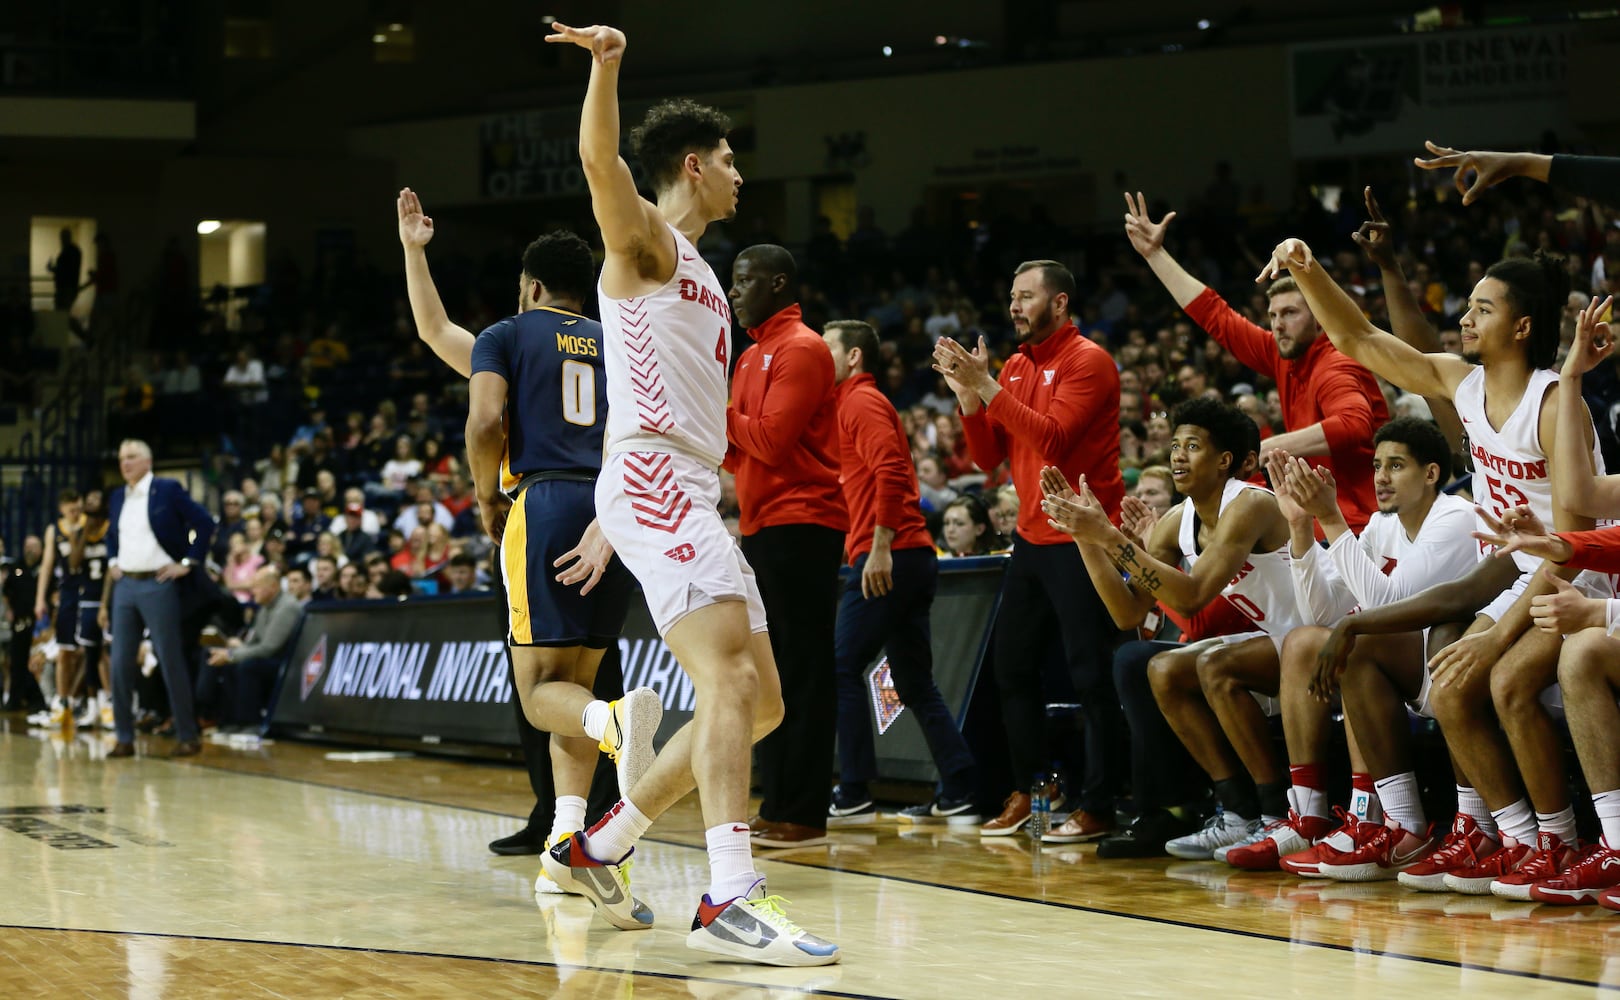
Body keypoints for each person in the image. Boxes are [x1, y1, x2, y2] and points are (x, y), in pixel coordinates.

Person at [542, 21, 837, 966]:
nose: (742, 173)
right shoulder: (649, 243)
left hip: (683, 485)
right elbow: (597, 160)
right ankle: (729, 893)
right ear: (693, 166)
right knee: (728, 678)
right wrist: (608, 66)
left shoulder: (704, 269)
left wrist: (611, 507)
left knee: (761, 704)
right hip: (657, 476)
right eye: (730, 158)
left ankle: (604, 842)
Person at [1259, 236, 1611, 891]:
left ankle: (1553, 842)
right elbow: (1361, 339)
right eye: (1469, 306)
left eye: (1482, 309)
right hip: (1509, 576)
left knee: (1492, 679)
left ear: (1522, 326)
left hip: (1574, 576)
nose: (1465, 318)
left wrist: (1497, 636)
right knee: (1443, 678)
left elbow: (1574, 541)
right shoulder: (1462, 381)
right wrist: (1310, 270)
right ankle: (1505, 837)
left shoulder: (1555, 402)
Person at [398, 188, 626, 858]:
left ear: (529, 286)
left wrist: (484, 493)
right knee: (578, 677)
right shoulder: (615, 341)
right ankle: (571, 833)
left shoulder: (507, 335)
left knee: (540, 695)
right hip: (612, 511)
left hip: (545, 504)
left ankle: (614, 726)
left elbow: (475, 403)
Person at [1041, 398, 1315, 858]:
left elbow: (1190, 596)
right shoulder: (1176, 522)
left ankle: (1274, 814)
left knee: (1214, 664)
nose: (1178, 456)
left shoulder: (1250, 504)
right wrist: (1086, 539)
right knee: (1163, 670)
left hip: (1323, 632)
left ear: (1225, 460)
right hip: (1278, 642)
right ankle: (1237, 812)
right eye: (1174, 446)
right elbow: (1128, 614)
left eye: (1192, 446)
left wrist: (1110, 537)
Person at [1222, 418, 1478, 875]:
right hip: (1406, 665)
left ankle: (1394, 822)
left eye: (1396, 465)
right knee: (1303, 642)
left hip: (1457, 661)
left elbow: (1384, 607)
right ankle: (1311, 811)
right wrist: (1301, 528)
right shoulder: (1382, 527)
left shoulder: (1455, 518)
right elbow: (1319, 615)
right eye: (1377, 465)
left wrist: (1332, 517)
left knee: (1362, 642)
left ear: (1432, 473)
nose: (1380, 477)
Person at [932, 258, 1126, 840]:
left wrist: (986, 385)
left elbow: (1055, 440)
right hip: (1032, 538)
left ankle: (1101, 803)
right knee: (1011, 667)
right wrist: (970, 395)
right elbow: (987, 459)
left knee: (1092, 675)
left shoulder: (1088, 361)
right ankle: (1037, 787)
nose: (1014, 306)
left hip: (1085, 538)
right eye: (1011, 297)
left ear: (1060, 303)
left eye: (1026, 296)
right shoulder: (1015, 365)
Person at [1125, 192, 1387, 533]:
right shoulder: (1283, 353)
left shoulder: (1335, 364)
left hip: (1359, 525)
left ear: (1320, 319)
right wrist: (1155, 255)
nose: (1278, 324)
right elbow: (1215, 315)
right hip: (1321, 518)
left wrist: (1266, 447)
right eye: (1273, 315)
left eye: (1290, 313)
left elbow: (1354, 425)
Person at [823, 320, 978, 828]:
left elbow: (891, 471)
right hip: (910, 554)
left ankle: (855, 790)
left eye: (827, 348)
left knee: (842, 665)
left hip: (889, 553)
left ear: (852, 358)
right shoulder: (849, 404)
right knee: (913, 680)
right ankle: (959, 785)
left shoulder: (860, 401)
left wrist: (880, 545)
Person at [725, 244, 848, 848]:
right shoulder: (750, 356)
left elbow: (770, 443)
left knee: (802, 670)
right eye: (732, 280)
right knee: (768, 673)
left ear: (778, 283)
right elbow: (737, 450)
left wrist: (714, 412)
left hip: (804, 524)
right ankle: (775, 801)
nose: (733, 291)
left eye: (745, 281)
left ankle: (804, 811)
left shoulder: (802, 347)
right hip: (761, 525)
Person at [100, 439, 216, 758]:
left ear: (148, 461)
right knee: (120, 662)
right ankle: (124, 737)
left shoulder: (167, 489)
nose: (125, 463)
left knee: (169, 659)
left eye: (132, 457)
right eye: (122, 458)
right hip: (125, 585)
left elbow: (204, 523)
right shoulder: (117, 496)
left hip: (158, 583)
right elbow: (112, 535)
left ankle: (187, 734)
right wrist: (112, 561)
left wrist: (188, 563)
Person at [207, 567, 299, 733]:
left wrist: (232, 655)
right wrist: (232, 654)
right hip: (265, 658)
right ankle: (231, 721)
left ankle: (251, 723)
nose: (251, 590)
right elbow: (253, 641)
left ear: (272, 586)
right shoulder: (264, 606)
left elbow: (268, 648)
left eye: (256, 586)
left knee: (247, 666)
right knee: (230, 666)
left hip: (287, 663)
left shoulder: (287, 607)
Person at [3, 536, 44, 714]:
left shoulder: (46, 567)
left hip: (40, 623)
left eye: (34, 546)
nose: (30, 550)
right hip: (20, 622)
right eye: (28, 546)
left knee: (32, 661)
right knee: (17, 662)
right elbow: (6, 591)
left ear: (42, 549)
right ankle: (15, 700)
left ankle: (37, 699)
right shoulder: (16, 567)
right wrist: (9, 609)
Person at [48, 227, 81, 312]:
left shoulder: (70, 251)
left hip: (66, 288)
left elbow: (66, 269)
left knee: (62, 313)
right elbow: (66, 269)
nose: (61, 239)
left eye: (63, 237)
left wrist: (53, 269)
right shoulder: (72, 251)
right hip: (66, 287)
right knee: (64, 312)